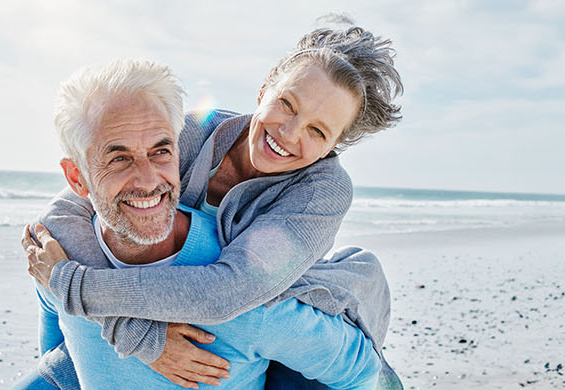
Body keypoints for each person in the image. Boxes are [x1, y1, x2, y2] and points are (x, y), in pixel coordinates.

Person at [23, 18, 405, 389]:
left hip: (278, 317)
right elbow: (65, 212)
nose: (289, 133)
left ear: (332, 145)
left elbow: (227, 292)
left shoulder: (323, 190)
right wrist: (120, 327)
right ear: (264, 90)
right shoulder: (192, 131)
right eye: (287, 104)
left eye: (317, 131)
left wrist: (76, 288)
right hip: (168, 305)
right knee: (55, 311)